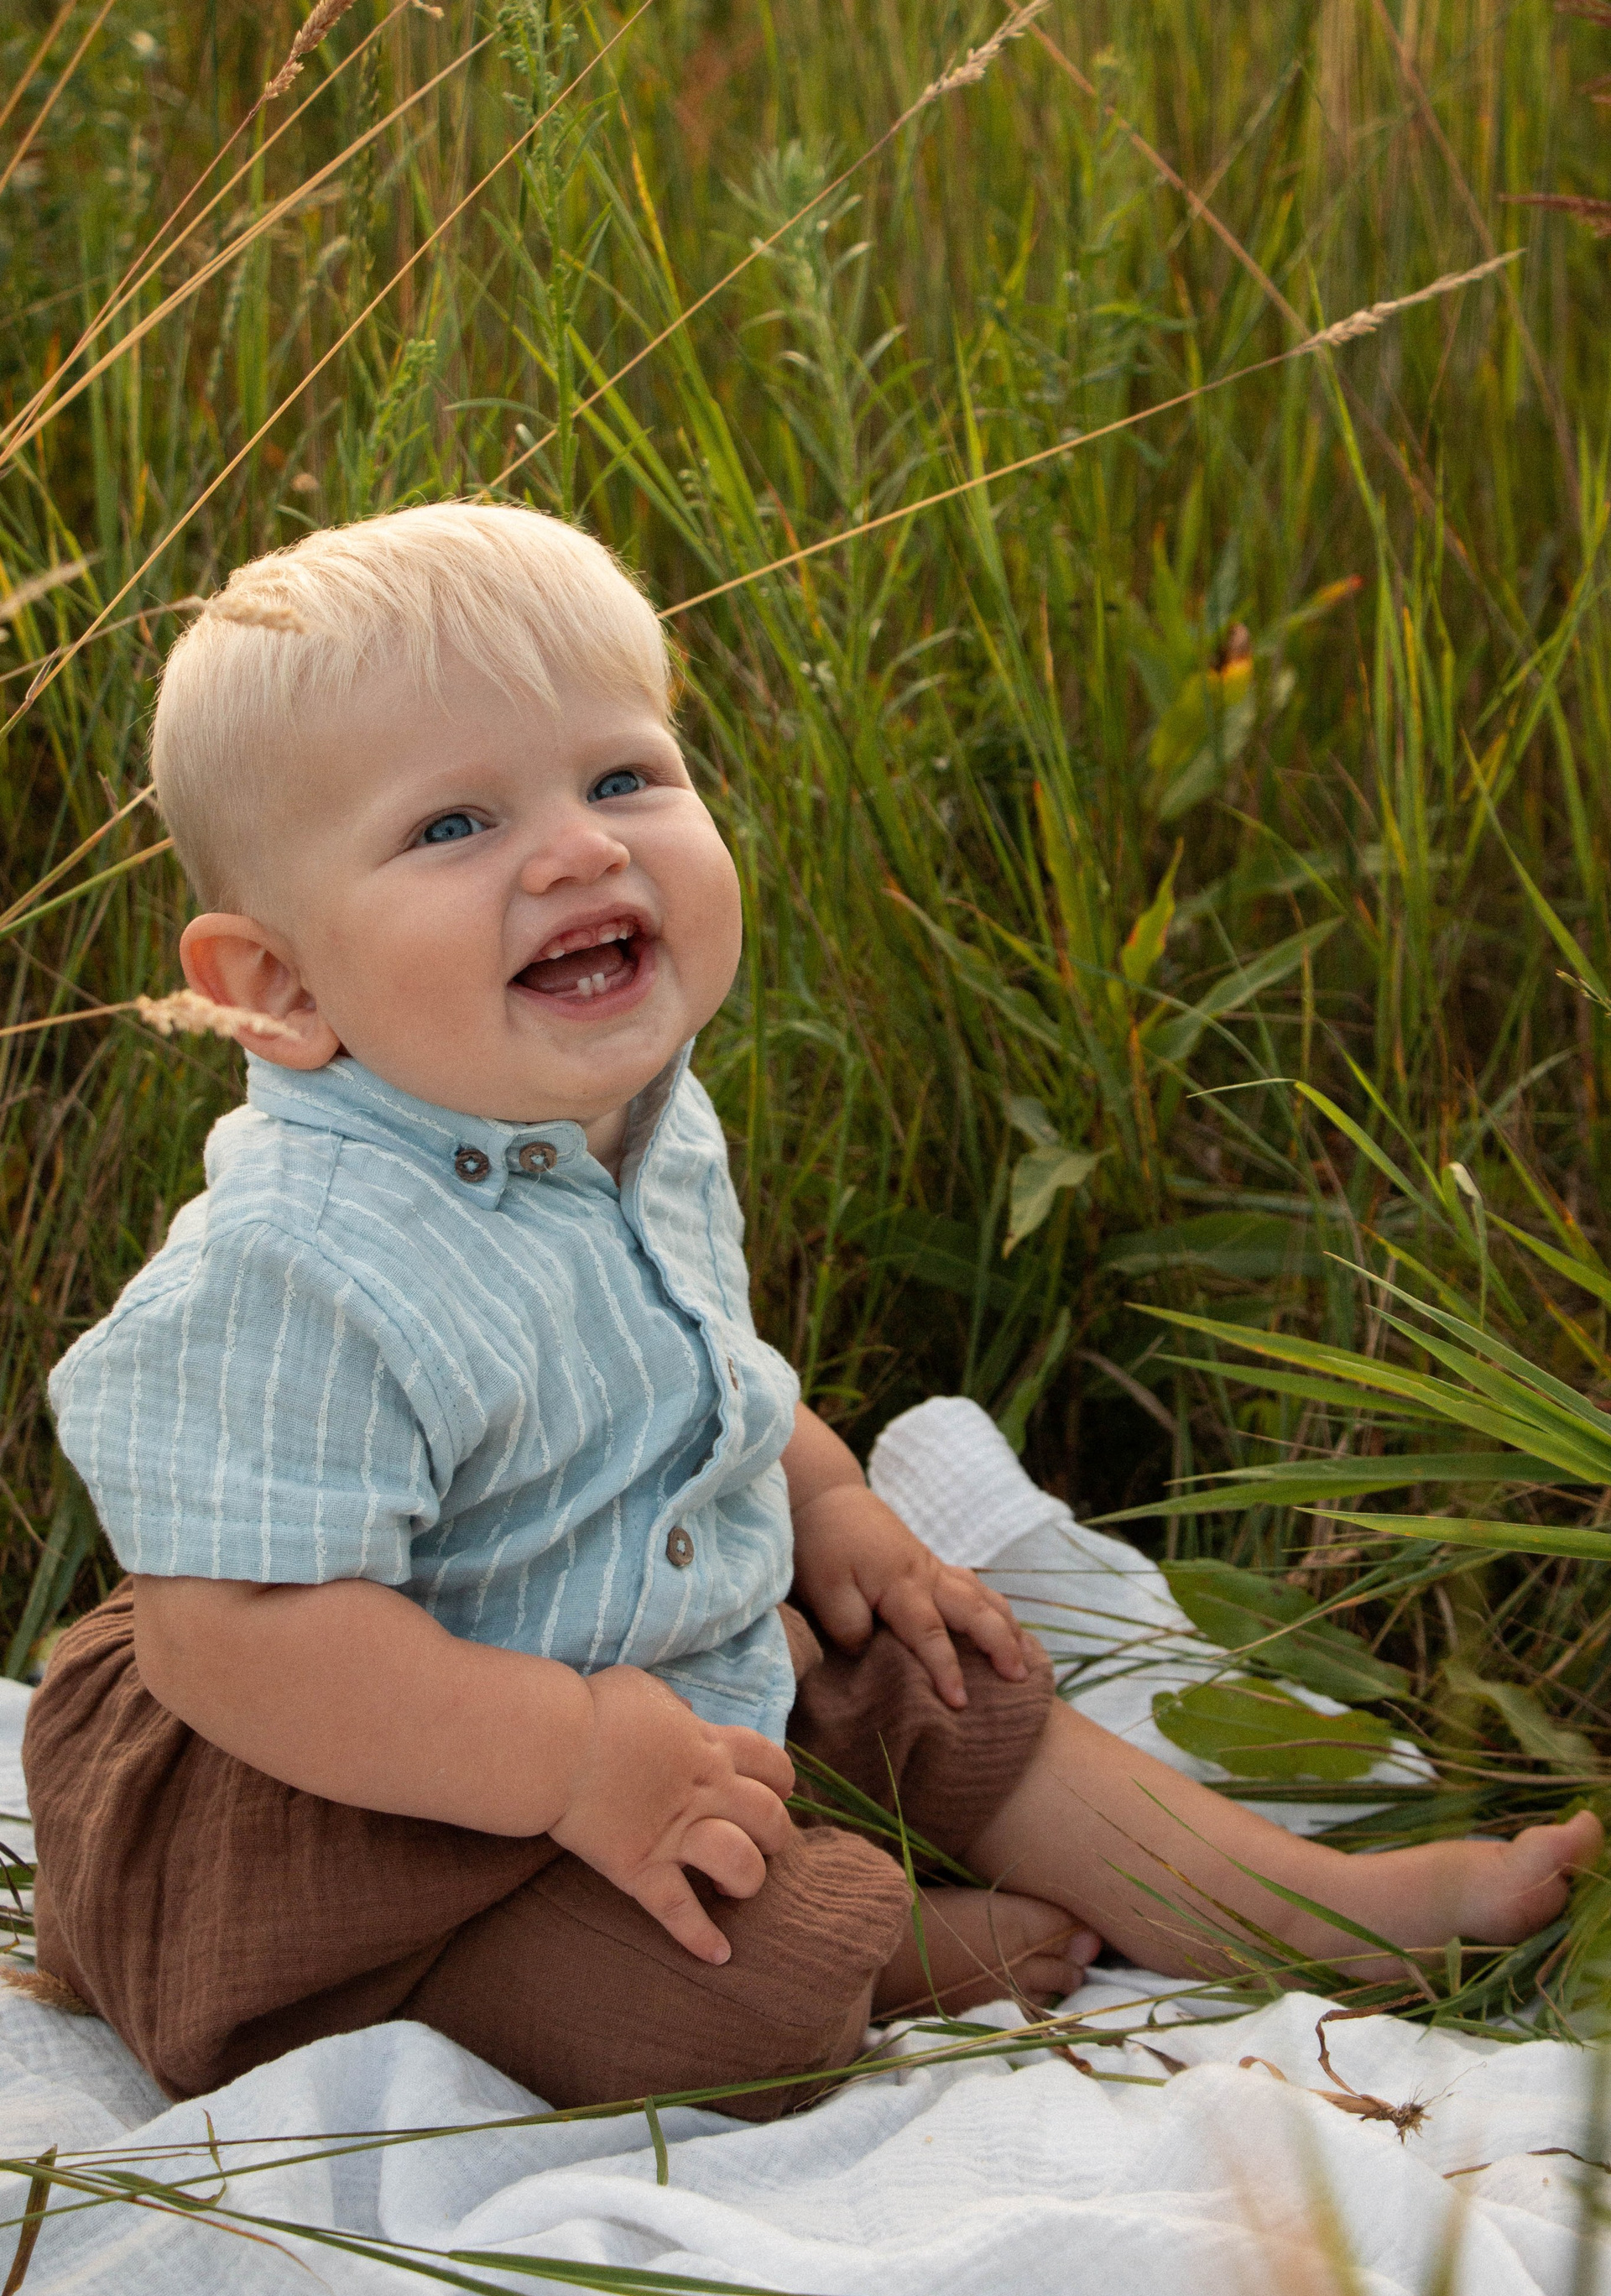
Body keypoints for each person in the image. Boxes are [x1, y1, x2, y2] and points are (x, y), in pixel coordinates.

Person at [21, 503, 1600, 2116]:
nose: (579, 850)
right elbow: (234, 1639)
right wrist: (570, 1758)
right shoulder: (301, 1263)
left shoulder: (633, 1113)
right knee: (730, 2000)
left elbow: (693, 1362)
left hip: (622, 1666)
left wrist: (827, 1499)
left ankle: (1297, 1906)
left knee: (932, 1670)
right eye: (453, 826)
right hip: (337, 1780)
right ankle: (871, 1943)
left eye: (620, 778)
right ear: (277, 989)